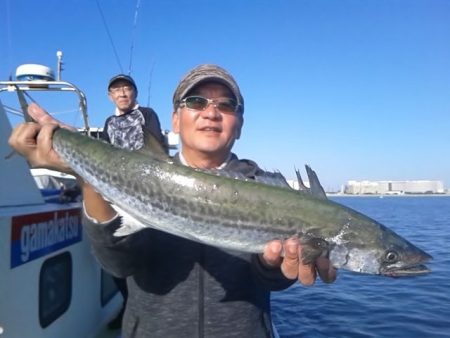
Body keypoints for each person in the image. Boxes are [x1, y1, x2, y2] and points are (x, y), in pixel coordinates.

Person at [9, 64, 337, 338]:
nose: (211, 113)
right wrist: (86, 175)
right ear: (175, 120)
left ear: (240, 124)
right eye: (196, 102)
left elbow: (271, 281)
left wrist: (274, 265)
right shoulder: (135, 176)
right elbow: (119, 264)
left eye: (226, 105)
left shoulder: (268, 191)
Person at [102, 73, 167, 329]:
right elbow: (105, 153)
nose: (122, 93)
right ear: (110, 97)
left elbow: (156, 148)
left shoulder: (146, 114)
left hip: (145, 191)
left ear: (135, 93)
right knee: (116, 253)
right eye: (117, 90)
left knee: (147, 248)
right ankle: (128, 302)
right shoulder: (108, 121)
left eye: (127, 89)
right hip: (116, 191)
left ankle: (150, 306)